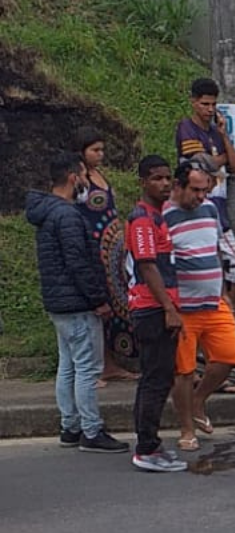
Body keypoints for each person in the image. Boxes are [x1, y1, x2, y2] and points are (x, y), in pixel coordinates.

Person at [26, 153, 128, 453]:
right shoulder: (69, 215)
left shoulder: (47, 213)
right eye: (83, 175)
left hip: (59, 303)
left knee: (68, 365)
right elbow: (78, 262)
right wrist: (99, 300)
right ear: (73, 177)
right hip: (78, 303)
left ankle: (69, 426)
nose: (87, 181)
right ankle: (91, 430)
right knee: (87, 368)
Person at [164, 162, 235, 452]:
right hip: (183, 308)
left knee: (228, 358)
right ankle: (186, 428)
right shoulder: (165, 216)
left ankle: (198, 400)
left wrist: (224, 293)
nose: (200, 196)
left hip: (213, 302)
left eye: (204, 190)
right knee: (183, 372)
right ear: (178, 186)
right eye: (195, 190)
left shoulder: (210, 210)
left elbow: (216, 252)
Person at [126, 155, 188, 472]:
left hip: (163, 308)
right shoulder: (143, 221)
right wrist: (168, 309)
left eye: (168, 179)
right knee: (155, 379)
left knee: (160, 378)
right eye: (157, 178)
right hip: (152, 311)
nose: (165, 184)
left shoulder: (159, 216)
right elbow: (147, 266)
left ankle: (151, 443)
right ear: (143, 182)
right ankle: (146, 448)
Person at [74, 126, 139, 386]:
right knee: (99, 308)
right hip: (94, 249)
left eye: (102, 150)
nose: (100, 154)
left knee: (115, 306)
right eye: (95, 150)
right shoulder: (78, 180)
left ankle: (111, 363)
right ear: (81, 152)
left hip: (114, 248)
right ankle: (97, 366)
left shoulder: (99, 175)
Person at [176, 77, 235, 305]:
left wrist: (225, 137)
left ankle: (228, 317)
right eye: (205, 104)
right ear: (193, 102)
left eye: (213, 104)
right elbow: (204, 162)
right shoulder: (186, 128)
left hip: (220, 211)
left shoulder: (217, 133)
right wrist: (223, 160)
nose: (210, 109)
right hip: (198, 211)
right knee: (209, 268)